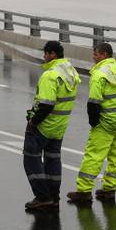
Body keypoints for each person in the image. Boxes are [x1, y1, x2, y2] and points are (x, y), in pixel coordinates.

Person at [67, 42, 116, 204]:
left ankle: (84, 191)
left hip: (105, 123)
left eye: (96, 54)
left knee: (93, 156)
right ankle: (110, 189)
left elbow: (93, 102)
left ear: (104, 55)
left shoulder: (99, 74)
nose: (93, 56)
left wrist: (94, 123)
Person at [24, 41, 81, 211]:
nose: (44, 56)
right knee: (53, 159)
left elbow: (46, 104)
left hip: (44, 126)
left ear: (53, 54)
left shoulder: (50, 75)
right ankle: (54, 197)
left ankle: (42, 197)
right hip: (59, 126)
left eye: (46, 53)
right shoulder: (70, 71)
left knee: (31, 158)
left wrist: (33, 121)